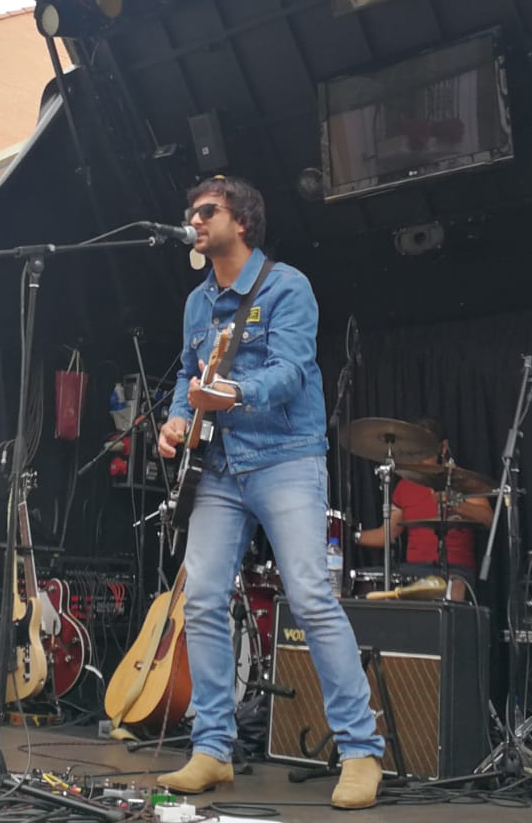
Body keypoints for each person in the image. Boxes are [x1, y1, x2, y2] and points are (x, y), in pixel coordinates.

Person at [156, 176, 384, 809]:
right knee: (200, 601)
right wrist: (178, 419)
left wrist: (233, 394)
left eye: (207, 212)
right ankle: (212, 750)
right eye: (191, 212)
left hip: (284, 458)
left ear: (242, 222)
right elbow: (187, 374)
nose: (194, 221)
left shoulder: (288, 286)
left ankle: (361, 751)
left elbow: (291, 372)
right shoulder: (197, 303)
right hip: (220, 466)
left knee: (311, 595)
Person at [353, 450, 492, 600]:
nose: (418, 458)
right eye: (415, 451)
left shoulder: (462, 480)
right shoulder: (405, 486)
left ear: (442, 449)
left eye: (424, 451)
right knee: (364, 580)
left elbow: (488, 518)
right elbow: (387, 534)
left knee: (455, 586)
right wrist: (351, 535)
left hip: (456, 569)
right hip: (413, 570)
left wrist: (455, 505)